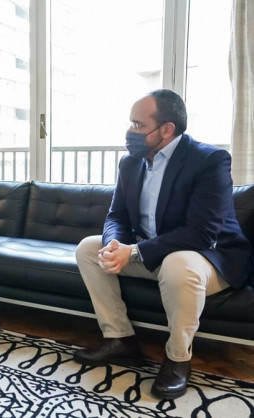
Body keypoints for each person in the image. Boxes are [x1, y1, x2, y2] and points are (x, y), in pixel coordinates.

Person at [73, 89, 253, 400]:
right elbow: (116, 214)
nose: (130, 132)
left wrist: (135, 252)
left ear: (166, 129)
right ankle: (120, 338)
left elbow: (201, 233)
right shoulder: (131, 164)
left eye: (138, 125)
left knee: (178, 263)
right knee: (89, 249)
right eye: (130, 124)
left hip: (210, 258)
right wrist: (115, 243)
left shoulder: (209, 160)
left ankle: (178, 359)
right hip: (156, 254)